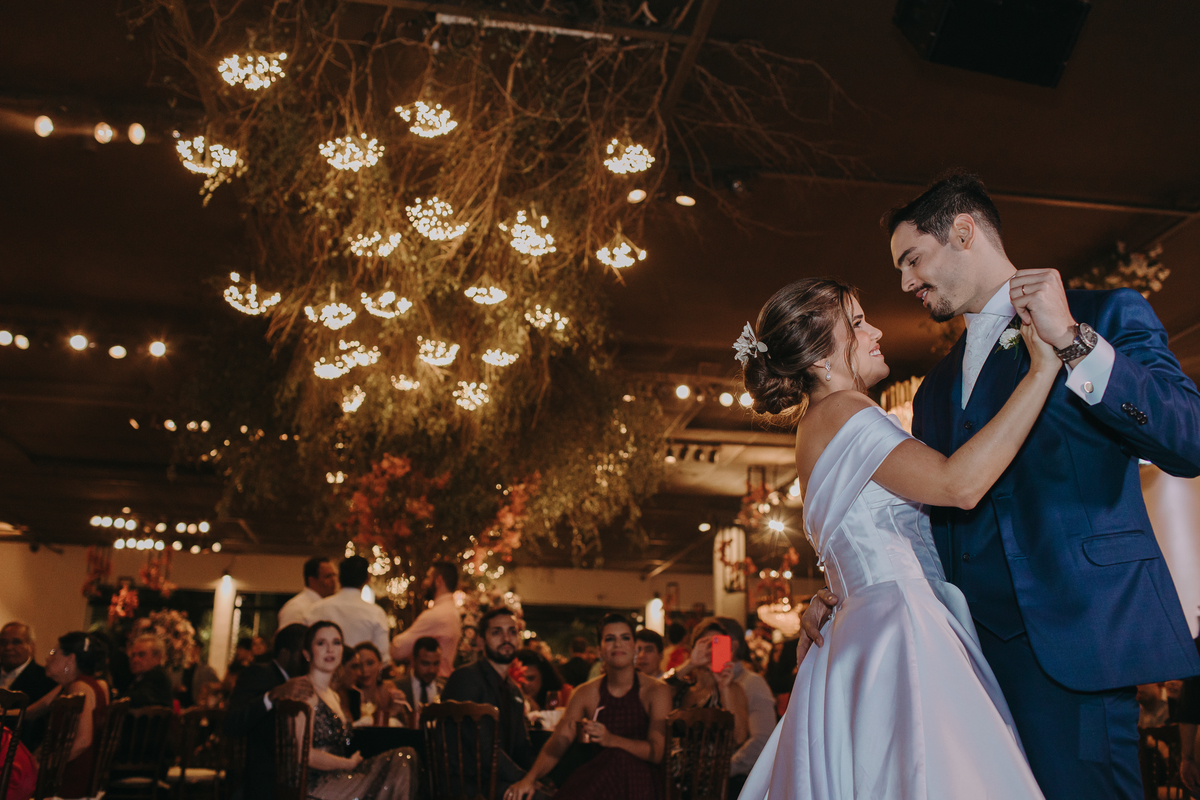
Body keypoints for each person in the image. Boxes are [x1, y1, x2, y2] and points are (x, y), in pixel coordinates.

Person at [806, 173, 1200, 800]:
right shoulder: (935, 389)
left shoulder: (1102, 314)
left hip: (1077, 642)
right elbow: (930, 518)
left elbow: (1188, 439)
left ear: (963, 232)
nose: (905, 283)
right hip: (965, 666)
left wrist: (1072, 342)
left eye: (913, 259)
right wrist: (849, 593)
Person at [737, 276, 1059, 799]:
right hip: (900, 624)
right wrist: (1042, 370)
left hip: (861, 626)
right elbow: (960, 484)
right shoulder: (846, 410)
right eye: (858, 323)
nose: (876, 330)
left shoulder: (815, 425)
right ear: (820, 358)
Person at [507, 613, 671, 800]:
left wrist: (610, 740)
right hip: (604, 778)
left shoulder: (656, 691)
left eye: (625, 638)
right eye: (610, 639)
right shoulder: (585, 693)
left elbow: (657, 753)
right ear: (599, 650)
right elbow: (559, 741)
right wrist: (530, 778)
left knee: (619, 759)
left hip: (643, 783)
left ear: (634, 647)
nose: (618, 644)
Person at [298, 621, 416, 800]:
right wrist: (347, 763)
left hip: (342, 773)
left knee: (405, 757)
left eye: (336, 643)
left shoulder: (334, 696)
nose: (330, 649)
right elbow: (303, 753)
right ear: (307, 653)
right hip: (316, 782)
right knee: (402, 761)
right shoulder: (303, 691)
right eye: (321, 643)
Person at [442, 607, 536, 797]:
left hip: (497, 781)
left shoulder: (513, 690)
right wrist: (525, 778)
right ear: (480, 640)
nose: (506, 638)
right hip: (468, 787)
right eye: (496, 632)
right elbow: (482, 747)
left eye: (512, 632)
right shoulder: (466, 678)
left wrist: (537, 775)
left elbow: (521, 747)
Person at [224, 623, 312, 800]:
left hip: (302, 774)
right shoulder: (259, 674)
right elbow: (232, 722)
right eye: (302, 656)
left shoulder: (311, 681)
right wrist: (271, 696)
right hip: (266, 778)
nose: (307, 660)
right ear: (285, 654)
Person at [26, 632, 110, 799]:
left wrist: (43, 763)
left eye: (53, 652)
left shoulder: (79, 687)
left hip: (66, 778)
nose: (48, 658)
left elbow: (83, 741)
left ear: (70, 659)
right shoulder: (74, 684)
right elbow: (32, 711)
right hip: (68, 771)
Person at [708, 618, 775, 800]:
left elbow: (762, 739)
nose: (709, 650)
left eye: (714, 642)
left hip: (737, 782)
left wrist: (725, 768)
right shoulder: (702, 684)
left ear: (733, 645)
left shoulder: (751, 682)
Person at [305, 556, 391, 660]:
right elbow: (382, 656)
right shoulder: (376, 613)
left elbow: (307, 647)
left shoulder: (317, 608)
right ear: (367, 580)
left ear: (339, 579)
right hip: (361, 673)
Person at [390, 561, 462, 680]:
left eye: (428, 577)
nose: (424, 582)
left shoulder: (437, 615)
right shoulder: (453, 612)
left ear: (439, 580)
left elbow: (398, 649)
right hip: (444, 678)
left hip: (431, 680)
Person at [0, 622, 57, 748]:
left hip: (18, 749)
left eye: (16, 642)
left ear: (31, 646)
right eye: (3, 643)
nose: (8, 647)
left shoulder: (46, 680)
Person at [279, 556, 339, 629]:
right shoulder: (296, 608)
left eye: (334, 575)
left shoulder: (330, 605)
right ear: (312, 581)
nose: (334, 581)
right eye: (328, 576)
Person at [397, 637, 442, 727]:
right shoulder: (397, 686)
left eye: (436, 663)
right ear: (413, 660)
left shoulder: (445, 687)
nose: (432, 670)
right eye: (425, 663)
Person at [122, 633, 173, 708]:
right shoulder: (141, 677)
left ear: (158, 658)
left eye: (141, 655)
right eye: (133, 655)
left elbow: (139, 698)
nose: (135, 660)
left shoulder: (158, 676)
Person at [513, 648, 568, 713]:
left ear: (543, 676)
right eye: (519, 678)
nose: (525, 684)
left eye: (531, 678)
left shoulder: (563, 694)